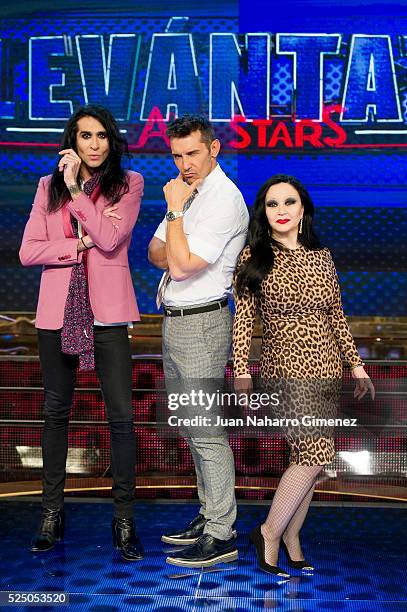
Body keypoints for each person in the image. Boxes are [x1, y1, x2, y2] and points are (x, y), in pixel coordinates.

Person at [233, 174, 375, 576]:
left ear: (302, 210)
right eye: (272, 204)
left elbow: (336, 314)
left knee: (308, 458)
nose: (280, 211)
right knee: (313, 456)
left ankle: (293, 538)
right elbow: (243, 319)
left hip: (327, 367)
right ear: (263, 212)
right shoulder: (254, 257)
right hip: (285, 366)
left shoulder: (322, 255)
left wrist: (356, 363)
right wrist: (241, 369)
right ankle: (269, 532)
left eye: (288, 202)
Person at [19, 104, 144, 561]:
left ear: (111, 141)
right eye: (84, 136)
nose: (93, 144)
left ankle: (124, 520)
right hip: (56, 316)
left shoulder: (128, 185)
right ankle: (52, 513)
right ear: (71, 141)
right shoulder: (44, 188)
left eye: (101, 136)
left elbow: (110, 241)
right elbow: (29, 252)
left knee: (121, 418)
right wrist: (77, 244)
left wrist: (76, 191)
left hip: (108, 315)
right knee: (56, 414)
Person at [148, 114, 249, 567]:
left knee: (207, 431)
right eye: (177, 155)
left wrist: (174, 216)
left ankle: (222, 532)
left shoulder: (222, 199)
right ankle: (210, 514)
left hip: (204, 323)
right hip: (176, 319)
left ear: (213, 149)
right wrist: (177, 238)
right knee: (190, 426)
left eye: (192, 153)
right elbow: (156, 254)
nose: (184, 163)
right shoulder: (187, 193)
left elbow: (184, 266)